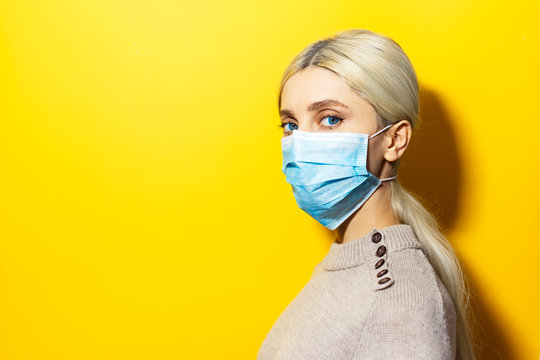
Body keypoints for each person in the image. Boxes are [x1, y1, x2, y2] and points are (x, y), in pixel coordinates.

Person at [257, 29, 478, 360]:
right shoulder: (350, 264)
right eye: (291, 125)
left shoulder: (398, 301)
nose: (300, 143)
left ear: (393, 140)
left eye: (330, 119)